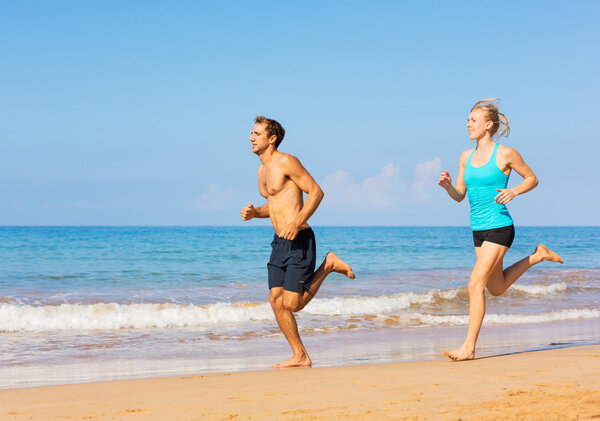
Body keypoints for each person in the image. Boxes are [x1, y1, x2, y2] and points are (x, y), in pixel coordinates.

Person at [438, 98, 563, 361]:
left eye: (473, 120)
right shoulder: (466, 156)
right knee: (496, 287)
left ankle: (469, 348)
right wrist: (448, 186)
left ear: (488, 125)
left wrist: (513, 191)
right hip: (478, 230)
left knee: (475, 285)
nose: (468, 124)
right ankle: (538, 256)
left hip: (500, 227)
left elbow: (532, 178)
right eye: (468, 120)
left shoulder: (505, 154)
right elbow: (460, 195)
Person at [241, 115, 355, 368]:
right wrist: (255, 213)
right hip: (279, 242)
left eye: (256, 134)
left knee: (292, 304)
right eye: (251, 133)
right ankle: (300, 355)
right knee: (275, 299)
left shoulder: (287, 162)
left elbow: (316, 191)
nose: (250, 138)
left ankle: (328, 265)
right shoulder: (261, 170)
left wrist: (296, 221)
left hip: (299, 238)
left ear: (272, 139)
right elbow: (273, 206)